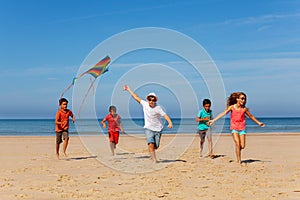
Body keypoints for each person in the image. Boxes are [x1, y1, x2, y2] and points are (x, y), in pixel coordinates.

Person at [208, 92, 264, 164]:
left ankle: (237, 151)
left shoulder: (244, 109)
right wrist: (213, 120)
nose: (243, 100)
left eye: (244, 99)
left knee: (242, 146)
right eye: (242, 98)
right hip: (234, 128)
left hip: (242, 128)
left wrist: (258, 123)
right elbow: (223, 113)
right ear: (237, 99)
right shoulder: (232, 107)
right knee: (237, 143)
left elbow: (251, 116)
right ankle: (239, 161)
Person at [123, 85, 173, 163]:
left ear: (155, 100)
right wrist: (128, 89)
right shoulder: (145, 104)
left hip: (158, 129)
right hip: (148, 128)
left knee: (156, 146)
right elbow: (136, 97)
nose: (151, 101)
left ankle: (151, 152)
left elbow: (165, 115)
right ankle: (154, 160)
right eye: (149, 99)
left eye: (153, 100)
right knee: (150, 143)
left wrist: (170, 122)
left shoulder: (158, 108)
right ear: (147, 100)